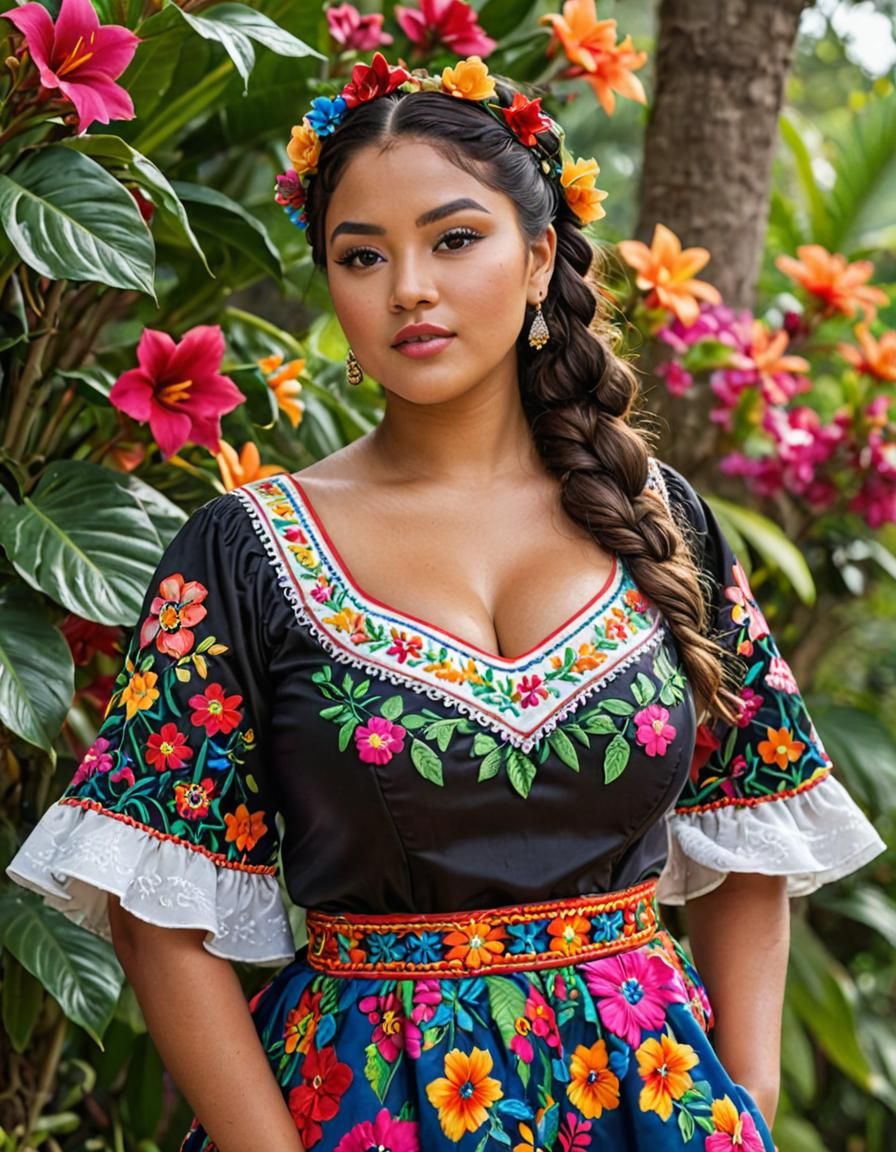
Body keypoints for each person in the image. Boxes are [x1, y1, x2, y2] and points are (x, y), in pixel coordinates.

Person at [7, 51, 885, 1152]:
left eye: (453, 239)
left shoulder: (658, 519)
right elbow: (150, 915)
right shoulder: (243, 554)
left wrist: (742, 1096)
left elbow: (747, 809)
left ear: (538, 259)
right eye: (360, 255)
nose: (407, 288)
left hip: (651, 1105)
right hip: (362, 1110)